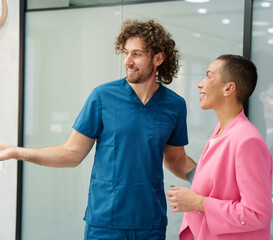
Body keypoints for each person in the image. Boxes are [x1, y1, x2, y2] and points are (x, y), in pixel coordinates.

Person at [0, 19, 196, 239]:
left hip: (150, 222)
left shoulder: (174, 105)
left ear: (158, 59)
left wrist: (212, 180)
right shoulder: (102, 97)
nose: (128, 61)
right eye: (126, 53)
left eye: (137, 54)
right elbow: (71, 154)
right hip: (106, 221)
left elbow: (176, 159)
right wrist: (16, 152)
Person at [166, 54, 273, 240]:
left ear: (229, 88)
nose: (200, 84)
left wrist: (199, 203)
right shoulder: (220, 130)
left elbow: (257, 214)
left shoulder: (247, 140)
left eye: (208, 76)